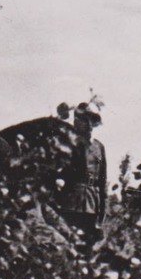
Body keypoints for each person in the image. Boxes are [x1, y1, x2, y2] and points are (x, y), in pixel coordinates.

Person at [57, 101, 108, 244]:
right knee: (69, 244)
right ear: (76, 121)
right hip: (71, 203)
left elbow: (103, 182)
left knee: (87, 247)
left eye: (92, 121)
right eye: (85, 120)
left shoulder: (99, 147)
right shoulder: (69, 144)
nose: (89, 125)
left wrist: (102, 211)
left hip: (92, 205)